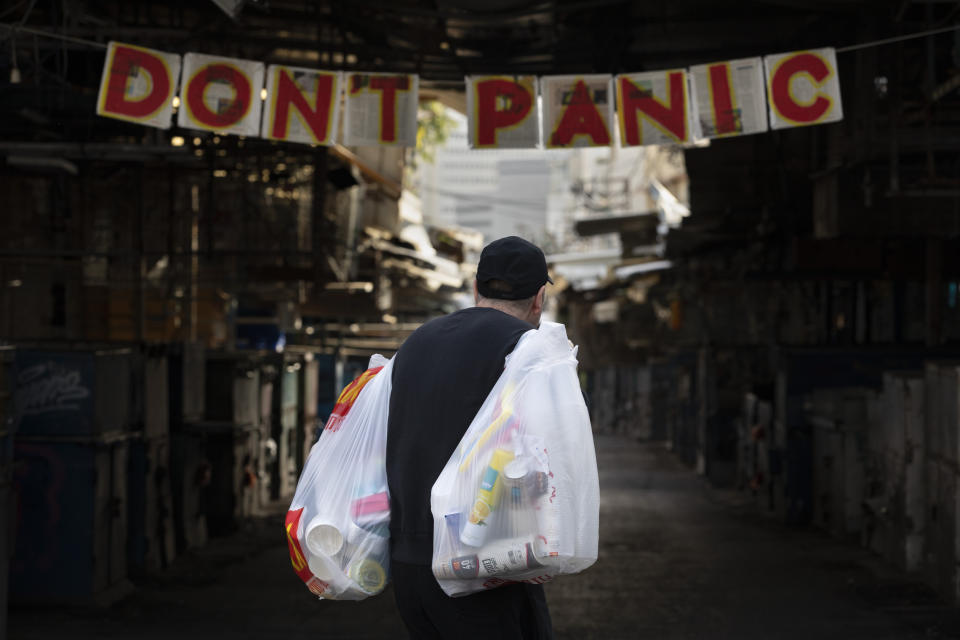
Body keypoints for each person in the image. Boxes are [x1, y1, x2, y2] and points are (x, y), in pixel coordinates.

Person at [386, 236, 554, 639]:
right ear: (540, 298)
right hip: (480, 567)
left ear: (476, 288)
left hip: (410, 569)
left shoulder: (416, 342)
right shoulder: (526, 349)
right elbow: (547, 462)